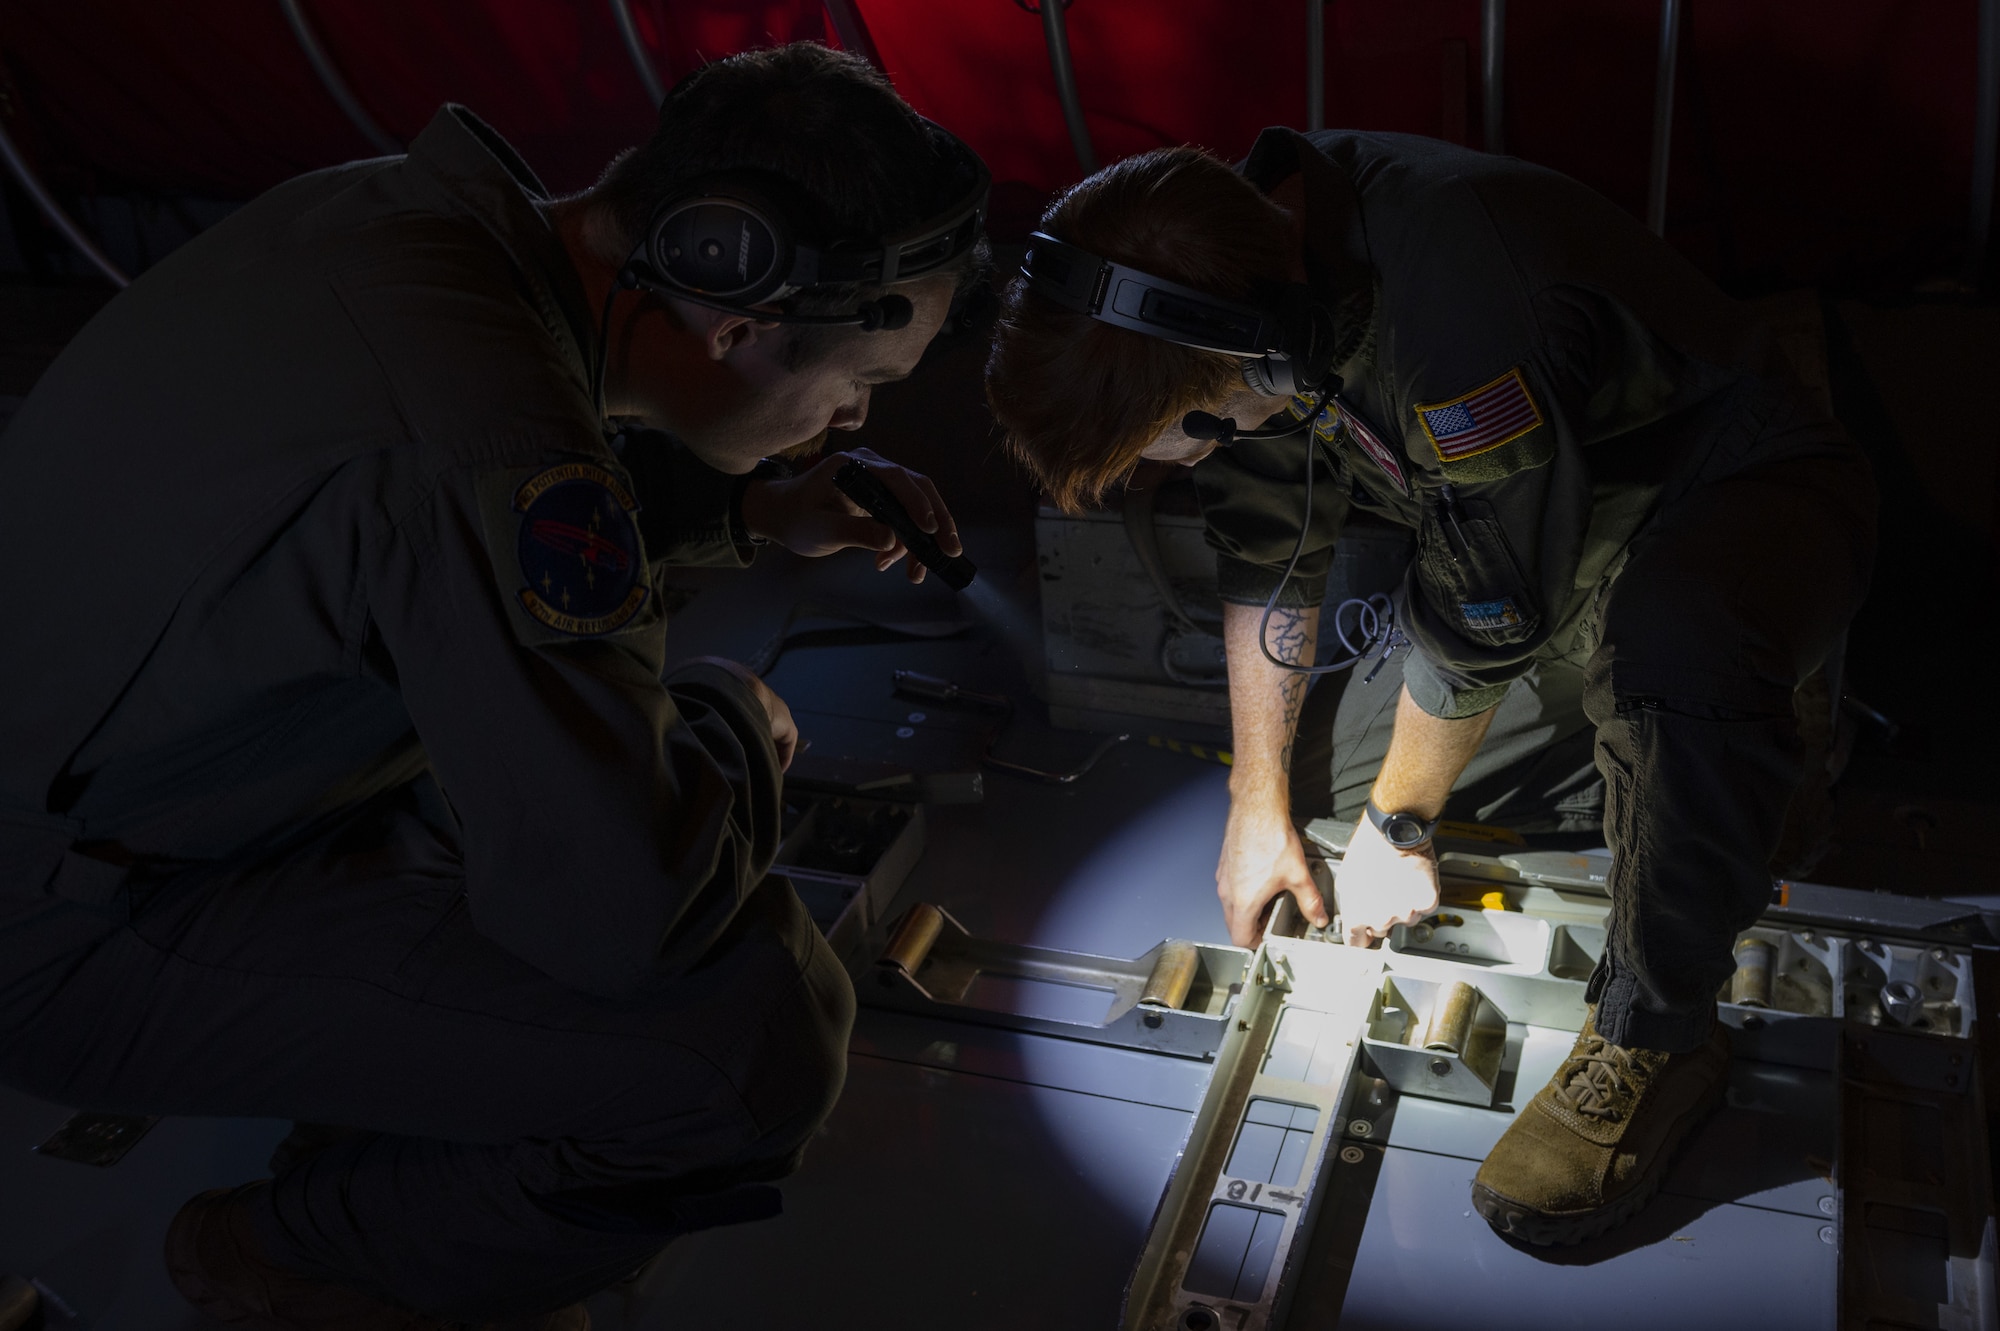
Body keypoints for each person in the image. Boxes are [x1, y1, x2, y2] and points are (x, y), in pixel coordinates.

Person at [0, 42, 986, 1326]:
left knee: (691, 734)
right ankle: (286, 1251)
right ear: (731, 311)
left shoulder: (400, 222)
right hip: (70, 931)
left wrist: (744, 504)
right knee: (748, 1049)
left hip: (159, 797)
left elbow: (435, 487)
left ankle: (390, 1132)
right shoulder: (495, 439)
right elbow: (617, 913)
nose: (851, 421)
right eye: (862, 380)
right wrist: (730, 754)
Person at [986, 129, 1873, 1245]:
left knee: (1661, 679)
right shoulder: (1250, 292)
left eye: (1174, 444)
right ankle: (1698, 785)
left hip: (1729, 499)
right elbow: (1268, 554)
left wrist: (1400, 821)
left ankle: (1660, 1022)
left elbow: (1476, 619)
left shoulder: (1459, 325)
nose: (1176, 466)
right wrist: (1251, 800)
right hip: (1548, 540)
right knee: (1319, 807)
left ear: (1249, 360)